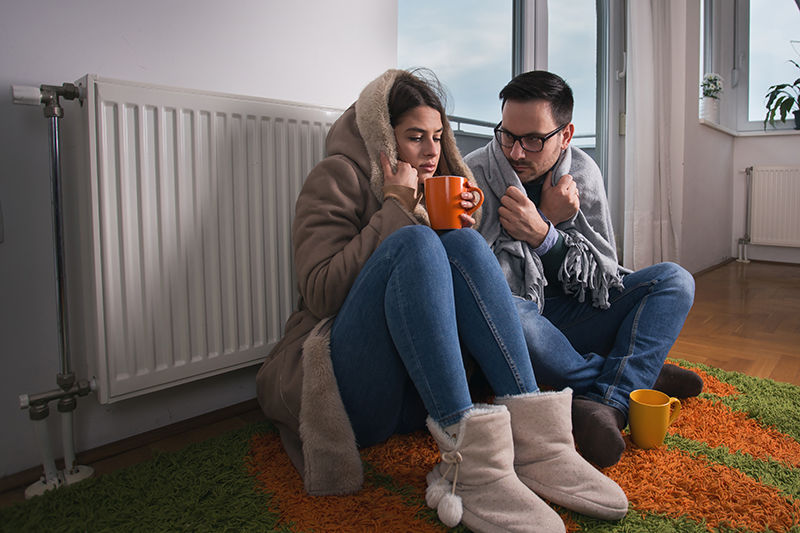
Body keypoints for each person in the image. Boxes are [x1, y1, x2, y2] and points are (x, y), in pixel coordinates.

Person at [256, 69, 629, 532]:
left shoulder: (443, 181)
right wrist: (394, 209)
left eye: (437, 137)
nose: (432, 152)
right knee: (416, 245)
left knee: (466, 246)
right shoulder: (337, 176)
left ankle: (539, 446)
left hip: (415, 395)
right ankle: (470, 470)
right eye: (415, 138)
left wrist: (450, 232)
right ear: (383, 139)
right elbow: (319, 292)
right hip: (350, 390)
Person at [465, 70, 703, 469]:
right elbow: (477, 281)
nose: (516, 152)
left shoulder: (583, 174)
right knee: (509, 312)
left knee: (675, 281)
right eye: (506, 134)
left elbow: (602, 280)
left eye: (534, 140)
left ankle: (608, 399)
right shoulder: (475, 173)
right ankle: (631, 378)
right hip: (520, 320)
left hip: (576, 315)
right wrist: (545, 218)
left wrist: (544, 234)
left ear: (566, 135)